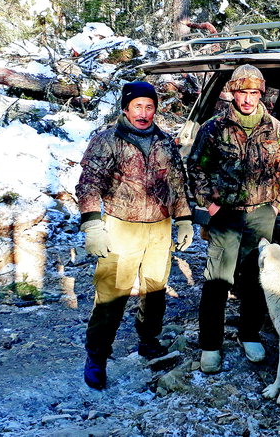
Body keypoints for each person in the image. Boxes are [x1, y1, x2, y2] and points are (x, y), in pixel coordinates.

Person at [75, 81, 194, 390]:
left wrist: (184, 220)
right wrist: (91, 223)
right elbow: (89, 182)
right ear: (126, 108)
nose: (143, 113)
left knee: (156, 290)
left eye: (149, 107)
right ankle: (97, 357)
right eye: (138, 106)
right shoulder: (108, 141)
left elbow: (178, 185)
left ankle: (149, 341)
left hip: (159, 228)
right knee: (111, 295)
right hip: (120, 226)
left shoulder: (164, 142)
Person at [187, 64, 280, 374]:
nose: (248, 99)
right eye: (242, 92)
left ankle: (249, 334)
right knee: (217, 280)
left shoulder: (276, 130)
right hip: (226, 214)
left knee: (255, 279)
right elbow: (196, 167)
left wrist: (276, 204)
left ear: (261, 94)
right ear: (232, 92)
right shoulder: (214, 128)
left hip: (261, 214)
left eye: (253, 93)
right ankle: (210, 345)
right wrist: (209, 204)